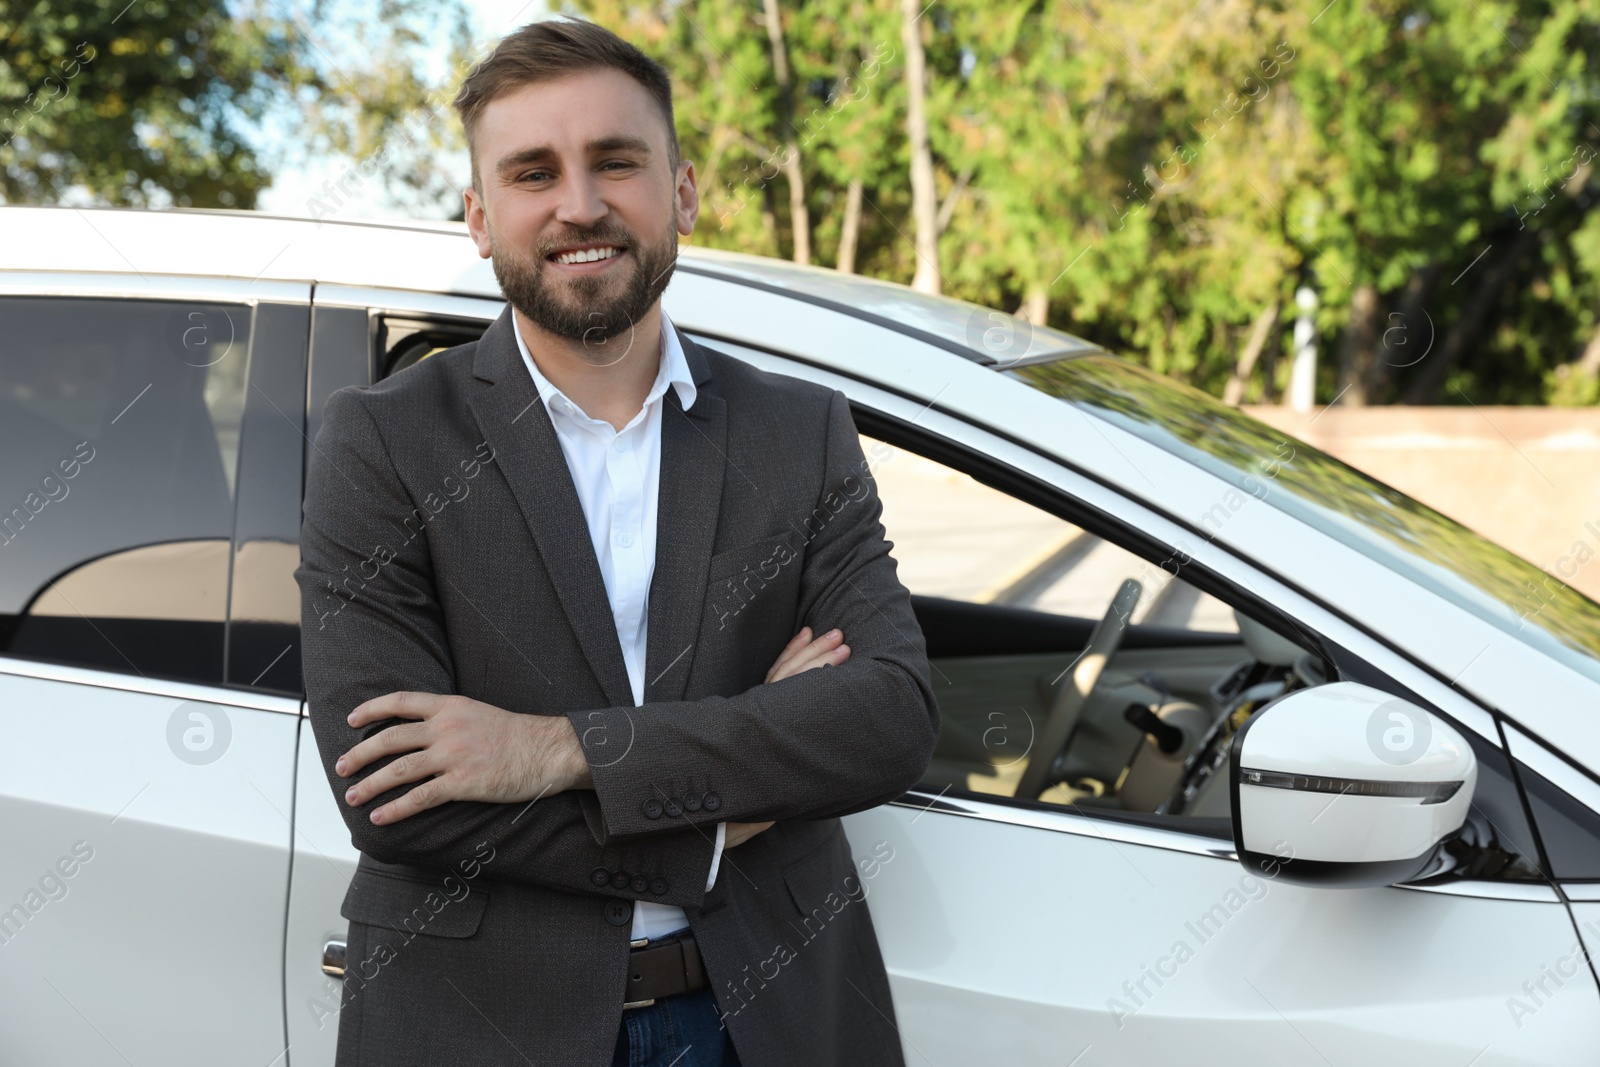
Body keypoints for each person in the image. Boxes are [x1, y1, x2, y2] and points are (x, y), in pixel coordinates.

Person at [294, 15, 939, 1067]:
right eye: (534, 172)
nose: (579, 204)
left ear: (680, 191)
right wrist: (717, 813)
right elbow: (394, 796)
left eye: (616, 162)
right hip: (485, 1027)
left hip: (768, 1016)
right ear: (480, 215)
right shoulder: (385, 443)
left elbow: (889, 717)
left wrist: (552, 748)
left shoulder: (800, 432)